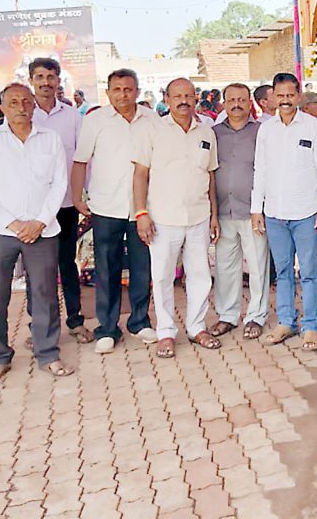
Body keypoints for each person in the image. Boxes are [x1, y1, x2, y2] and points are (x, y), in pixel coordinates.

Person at [0, 83, 74, 381]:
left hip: (42, 229)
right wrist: (14, 224)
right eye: (13, 101)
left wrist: (40, 222)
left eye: (26, 101)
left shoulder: (50, 139)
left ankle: (47, 353)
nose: (21, 106)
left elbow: (59, 183)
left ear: (33, 105)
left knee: (44, 293)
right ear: (1, 107)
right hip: (0, 231)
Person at [70, 69, 158, 355]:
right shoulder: (95, 121)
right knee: (106, 268)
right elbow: (81, 161)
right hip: (106, 206)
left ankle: (139, 321)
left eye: (128, 89)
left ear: (137, 90)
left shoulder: (152, 120)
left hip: (142, 208)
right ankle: (107, 328)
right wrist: (77, 197)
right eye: (117, 89)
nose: (123, 94)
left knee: (142, 267)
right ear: (108, 92)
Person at [132, 78, 221, 359]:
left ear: (196, 98)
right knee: (162, 278)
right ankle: (166, 333)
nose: (184, 101)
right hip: (162, 218)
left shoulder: (206, 132)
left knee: (200, 275)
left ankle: (197, 328)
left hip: (198, 216)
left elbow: (210, 176)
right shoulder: (152, 130)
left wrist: (215, 215)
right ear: (167, 99)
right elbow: (140, 174)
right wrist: (141, 214)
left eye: (188, 95)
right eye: (177, 96)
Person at [252, 73, 317, 352]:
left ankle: (311, 325)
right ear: (273, 97)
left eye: (290, 95)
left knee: (309, 272)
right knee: (283, 271)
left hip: (307, 213)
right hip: (275, 213)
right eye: (280, 95)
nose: (285, 100)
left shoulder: (313, 127)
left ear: (298, 96)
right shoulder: (267, 130)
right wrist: (256, 209)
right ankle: (286, 321)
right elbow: (259, 170)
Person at [29, 58, 90, 345]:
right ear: (32, 80)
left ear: (58, 81)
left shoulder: (72, 116)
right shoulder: (22, 114)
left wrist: (82, 196)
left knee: (67, 263)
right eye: (40, 77)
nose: (45, 82)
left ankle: (76, 321)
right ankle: (38, 325)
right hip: (33, 208)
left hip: (65, 204)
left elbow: (81, 158)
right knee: (38, 269)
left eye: (50, 77)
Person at [212, 83, 269, 341]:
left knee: (258, 266)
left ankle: (256, 316)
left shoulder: (262, 132)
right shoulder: (213, 134)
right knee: (225, 267)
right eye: (231, 100)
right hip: (223, 211)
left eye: (242, 100)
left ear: (250, 103)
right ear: (224, 103)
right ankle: (227, 315)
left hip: (253, 211)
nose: (236, 104)